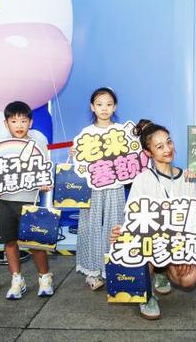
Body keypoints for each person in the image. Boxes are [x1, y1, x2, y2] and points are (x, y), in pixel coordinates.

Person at [110, 119, 196, 320]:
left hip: (174, 244)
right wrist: (121, 231)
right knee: (137, 242)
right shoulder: (142, 179)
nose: (167, 149)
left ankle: (162, 271)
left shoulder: (187, 177)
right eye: (159, 146)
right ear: (148, 152)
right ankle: (147, 295)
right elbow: (132, 217)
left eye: (169, 142)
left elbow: (192, 221)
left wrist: (186, 254)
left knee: (189, 279)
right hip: (150, 244)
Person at [0, 101, 54, 300]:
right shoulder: (0, 146)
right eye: (14, 121)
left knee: (35, 243)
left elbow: (45, 169)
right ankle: (17, 279)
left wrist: (45, 182)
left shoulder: (38, 142)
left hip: (30, 201)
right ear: (6, 123)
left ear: (31, 122)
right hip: (4, 201)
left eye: (23, 121)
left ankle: (45, 277)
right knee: (9, 242)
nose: (19, 125)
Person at [74, 87, 126, 290]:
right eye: (99, 104)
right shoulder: (86, 133)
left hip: (115, 185)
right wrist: (75, 153)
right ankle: (92, 271)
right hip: (93, 186)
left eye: (109, 104)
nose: (104, 108)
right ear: (92, 107)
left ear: (115, 107)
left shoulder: (122, 131)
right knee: (90, 225)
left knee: (116, 226)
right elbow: (81, 164)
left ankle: (114, 269)